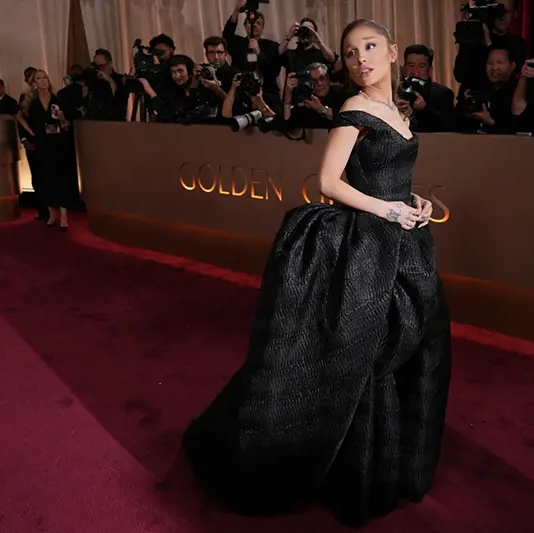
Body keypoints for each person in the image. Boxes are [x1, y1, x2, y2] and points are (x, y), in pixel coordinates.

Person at [182, 18, 451, 529]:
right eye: (350, 53)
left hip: (402, 239)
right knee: (359, 351)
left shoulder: (395, 109)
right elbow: (329, 182)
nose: (360, 59)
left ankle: (383, 461)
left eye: (369, 47)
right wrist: (390, 211)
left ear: (393, 51)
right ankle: (348, 469)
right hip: (368, 244)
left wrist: (408, 199)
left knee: (405, 345)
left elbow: (392, 176)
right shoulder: (352, 109)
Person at [17, 70, 76, 230]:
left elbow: (67, 125)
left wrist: (63, 118)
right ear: (34, 83)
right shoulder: (30, 100)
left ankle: (64, 215)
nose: (42, 81)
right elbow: (19, 117)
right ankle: (51, 213)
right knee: (45, 179)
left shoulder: (58, 98)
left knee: (61, 178)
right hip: (41, 143)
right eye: (39, 79)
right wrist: (29, 132)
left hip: (58, 142)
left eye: (45, 78)